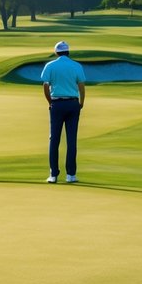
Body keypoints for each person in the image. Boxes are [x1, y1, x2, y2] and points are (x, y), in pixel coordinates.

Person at [39, 40, 86, 183]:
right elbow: (82, 86)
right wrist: (81, 103)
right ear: (68, 51)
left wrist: (50, 102)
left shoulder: (50, 65)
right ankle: (71, 175)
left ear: (56, 52)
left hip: (57, 104)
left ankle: (53, 175)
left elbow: (45, 86)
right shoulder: (76, 65)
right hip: (73, 104)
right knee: (71, 140)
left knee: (54, 140)